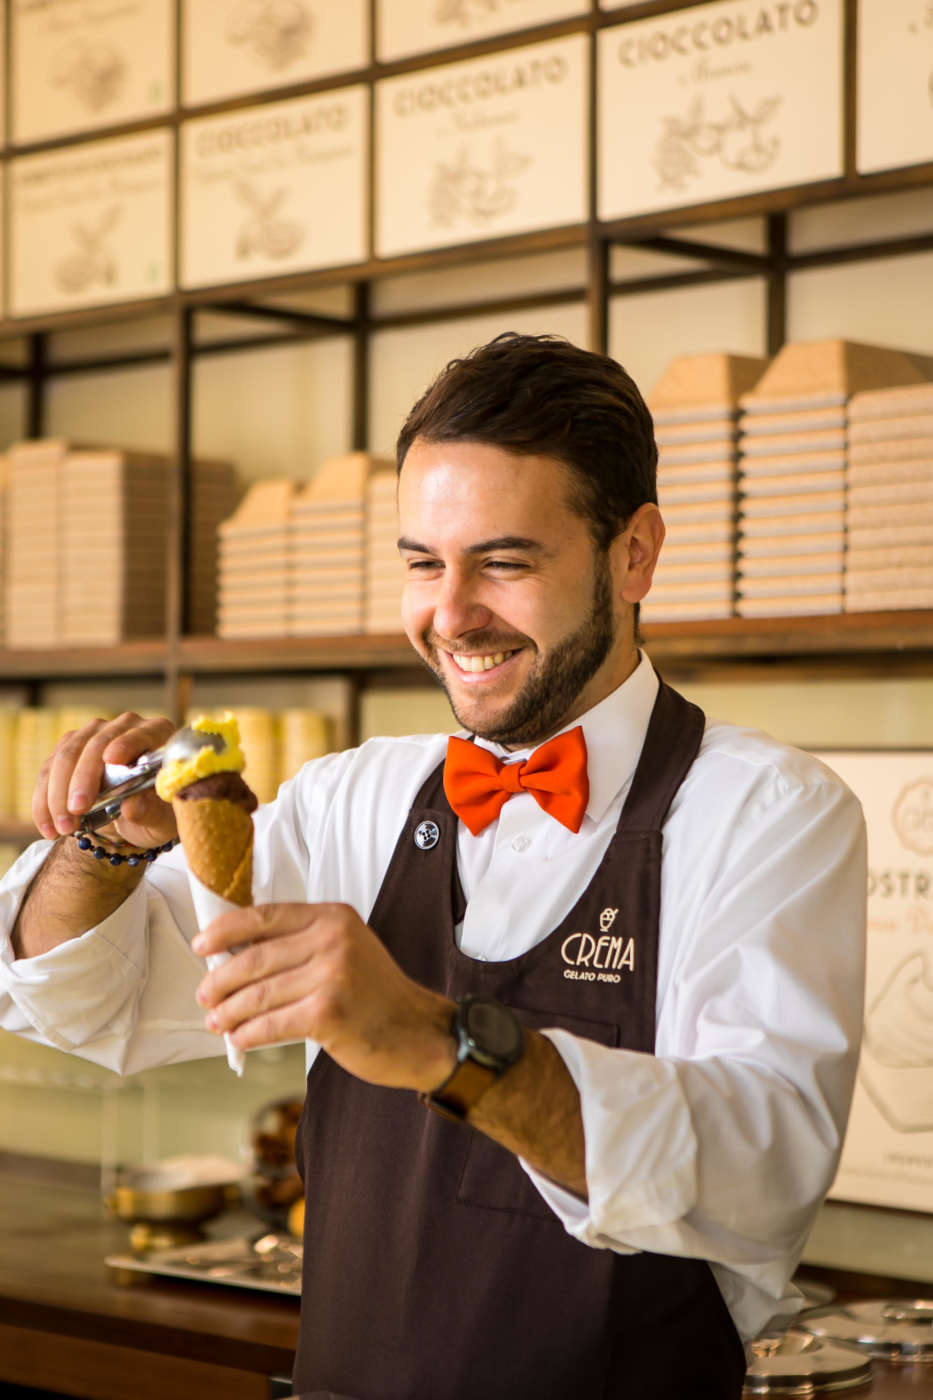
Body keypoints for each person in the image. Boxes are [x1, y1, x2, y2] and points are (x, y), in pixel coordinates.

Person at [0, 332, 866, 1400]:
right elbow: (89, 1001)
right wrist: (101, 845)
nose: (450, 615)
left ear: (634, 553)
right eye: (422, 562)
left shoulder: (767, 812)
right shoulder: (349, 799)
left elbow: (759, 1163)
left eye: (504, 561)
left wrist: (435, 1041)